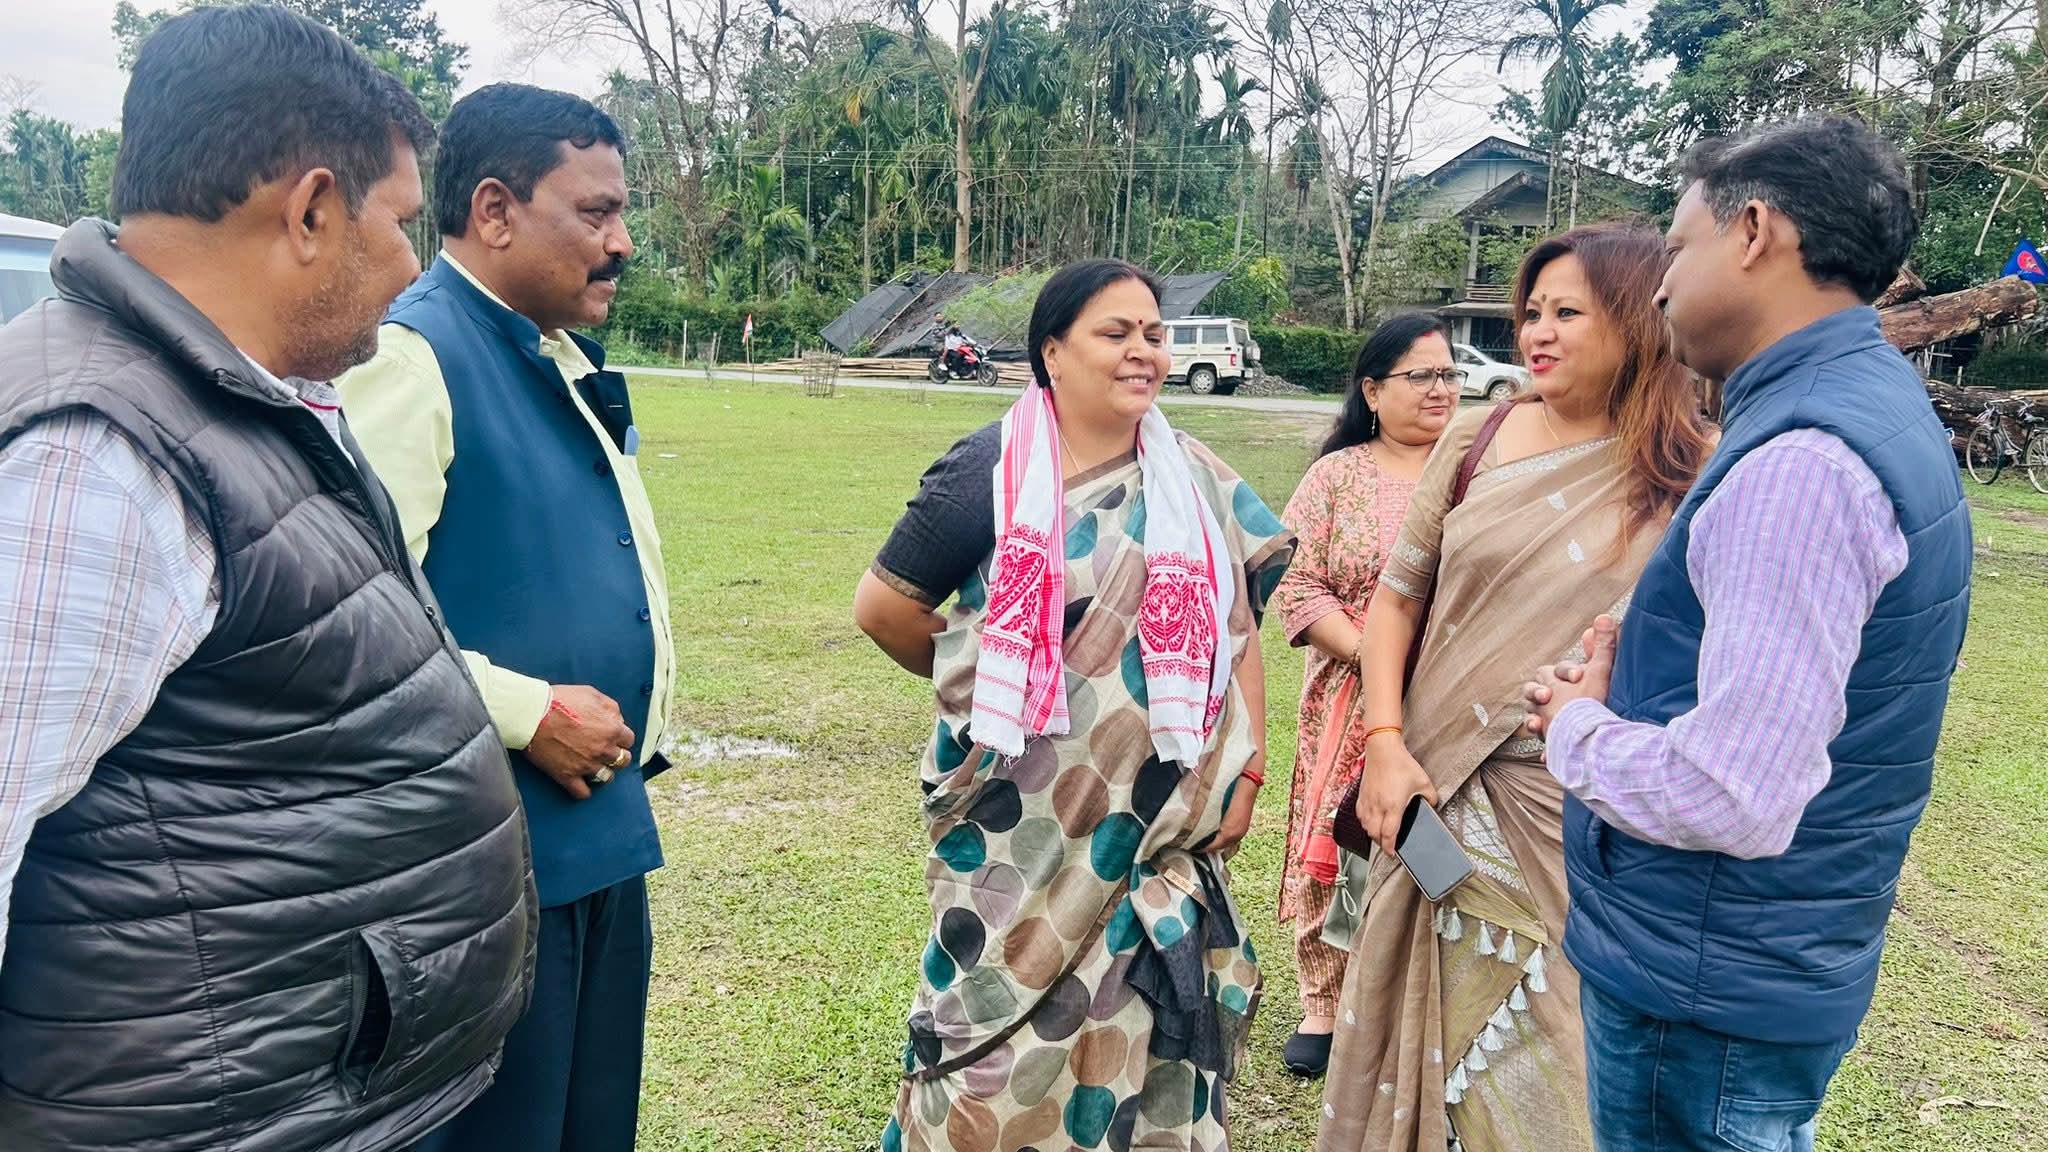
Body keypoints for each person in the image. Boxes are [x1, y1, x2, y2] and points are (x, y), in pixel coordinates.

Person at [0, 8, 537, 1150]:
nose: (414, 263)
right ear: (309, 212)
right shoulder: (95, 457)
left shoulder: (235, 400)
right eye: (400, 222)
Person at [1523, 117, 1971, 1152]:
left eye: (1678, 248)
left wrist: (1576, 726)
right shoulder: (1870, 406)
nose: (1662, 288)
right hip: (1764, 955)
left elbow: (1732, 794)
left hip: (1705, 978)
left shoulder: (1799, 461)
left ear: (1756, 232)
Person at [854, 259, 1294, 1152]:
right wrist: (999, 690)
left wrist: (1247, 771)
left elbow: (1238, 634)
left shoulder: (1194, 479)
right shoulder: (989, 469)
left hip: (1155, 829)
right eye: (1115, 332)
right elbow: (884, 610)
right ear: (1052, 351)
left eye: (1154, 334)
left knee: (1136, 1033)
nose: (1144, 352)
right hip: (1015, 827)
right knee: (987, 1046)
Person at [1316, 223, 1713, 1152]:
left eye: (1568, 313)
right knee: (1412, 1012)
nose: (1537, 332)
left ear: (1637, 321)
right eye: (1531, 312)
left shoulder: (1694, 467)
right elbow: (1396, 604)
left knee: (1558, 1050)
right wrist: (1384, 743)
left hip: (1575, 811)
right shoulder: (1478, 435)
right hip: (1432, 788)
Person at [338, 83, 669, 1152]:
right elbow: (352, 619)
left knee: (590, 1122)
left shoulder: (549, 353)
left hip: (594, 836)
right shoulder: (412, 357)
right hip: (485, 856)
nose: (620, 244)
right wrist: (529, 713)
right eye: (595, 213)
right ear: (493, 211)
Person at [1270, 313, 1456, 1078]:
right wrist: (1372, 656)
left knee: (1433, 841)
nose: (1441, 389)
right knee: (1340, 839)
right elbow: (1294, 581)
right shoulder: (1336, 476)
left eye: (1449, 374)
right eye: (1422, 376)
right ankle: (1324, 1002)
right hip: (1347, 697)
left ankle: (1411, 1004)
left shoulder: (1477, 468)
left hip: (1449, 698)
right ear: (1373, 391)